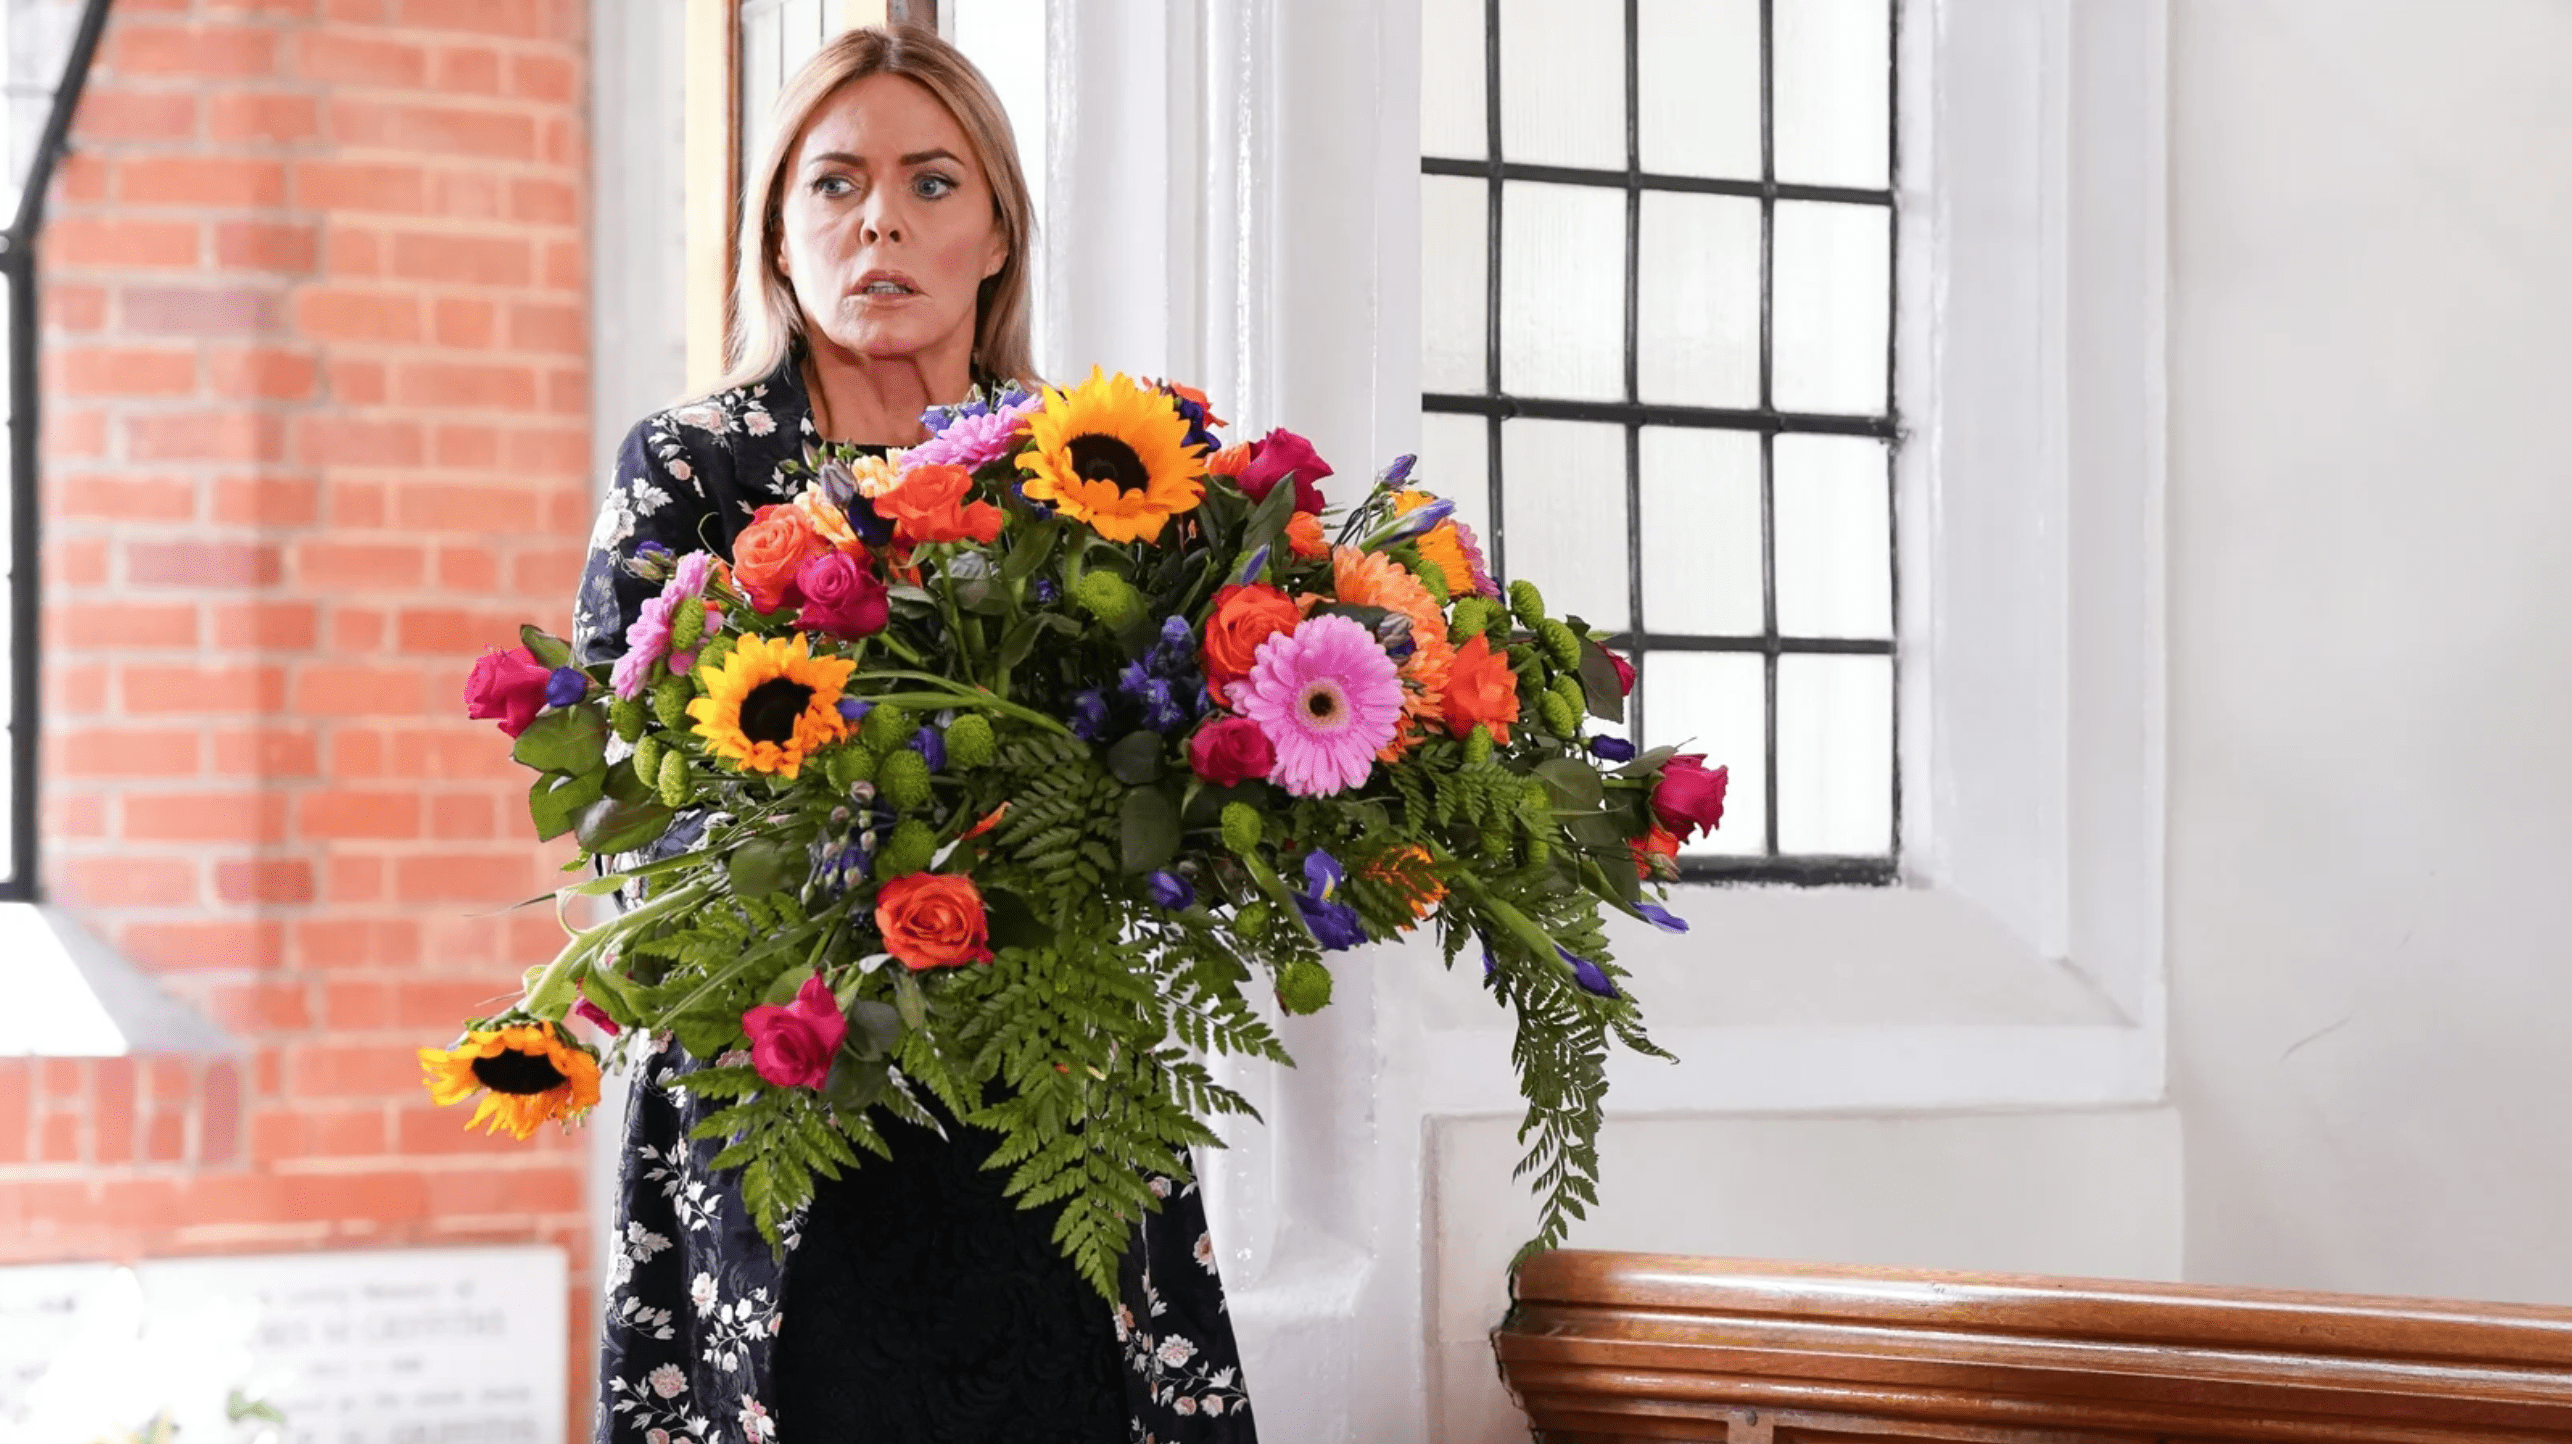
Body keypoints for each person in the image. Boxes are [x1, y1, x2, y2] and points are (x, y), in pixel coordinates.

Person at [575, 28, 1255, 1442]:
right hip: (785, 1088)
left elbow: (1159, 766)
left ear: (999, 232)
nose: (878, 217)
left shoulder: (1085, 471)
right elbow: (617, 791)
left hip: (1046, 1090)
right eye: (833, 183)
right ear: (778, 231)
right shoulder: (693, 465)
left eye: (931, 182)